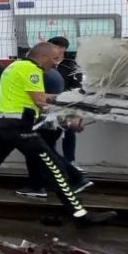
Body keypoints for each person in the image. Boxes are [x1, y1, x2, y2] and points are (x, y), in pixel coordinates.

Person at [0, 42, 114, 225]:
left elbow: (33, 99)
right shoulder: (32, 69)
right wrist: (73, 104)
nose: (54, 64)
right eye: (53, 59)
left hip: (0, 124)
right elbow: (41, 101)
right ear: (42, 57)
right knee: (56, 169)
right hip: (19, 127)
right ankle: (81, 217)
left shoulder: (15, 66)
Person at [48, 36, 83, 169]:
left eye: (54, 47)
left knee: (69, 132)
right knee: (49, 133)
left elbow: (78, 85)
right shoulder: (44, 63)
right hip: (47, 105)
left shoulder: (71, 65)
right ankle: (52, 163)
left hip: (67, 105)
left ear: (62, 49)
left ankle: (70, 161)